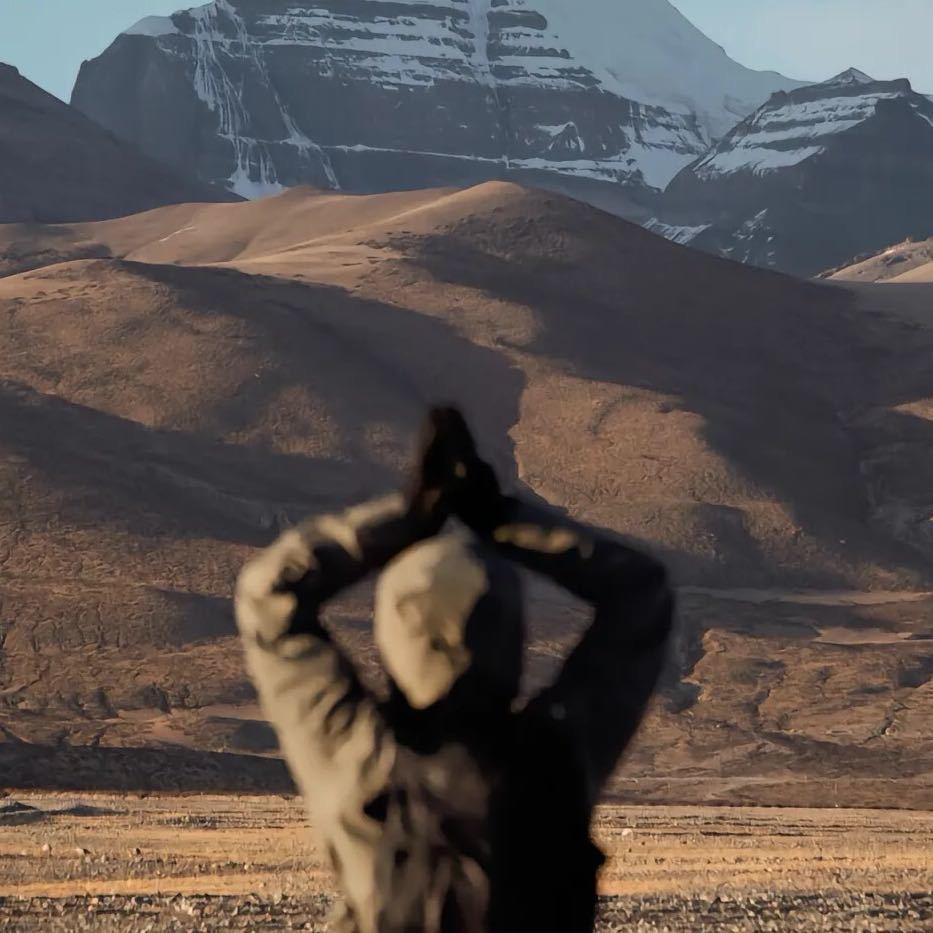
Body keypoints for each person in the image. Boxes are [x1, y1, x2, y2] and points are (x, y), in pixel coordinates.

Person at [235, 408, 674, 933]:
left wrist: (409, 514)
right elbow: (640, 592)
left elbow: (270, 595)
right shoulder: (556, 761)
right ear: (512, 636)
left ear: (394, 636)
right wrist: (500, 518)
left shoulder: (359, 761)